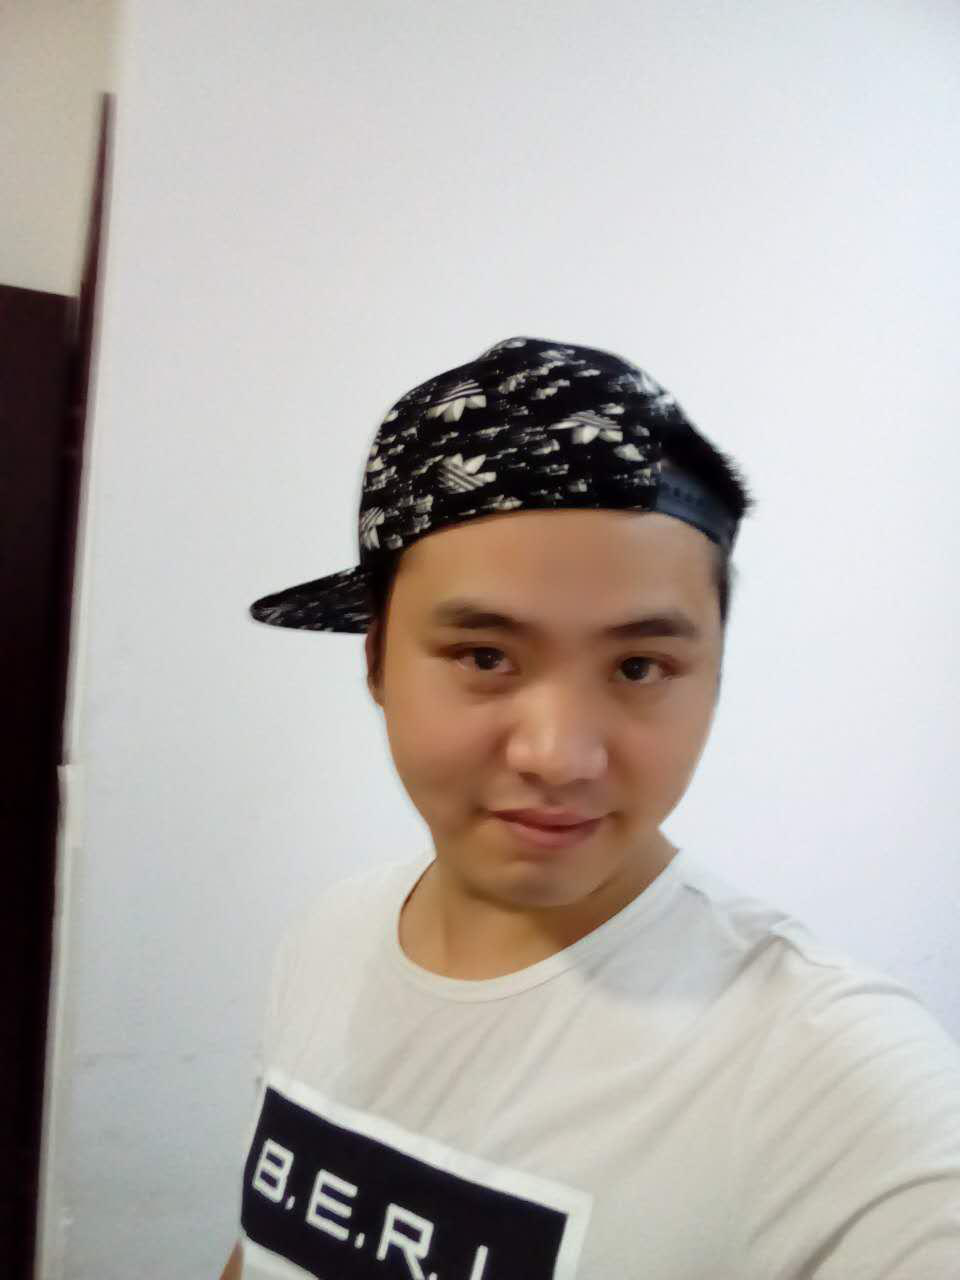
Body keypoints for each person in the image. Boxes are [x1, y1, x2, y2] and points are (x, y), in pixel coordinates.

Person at [220, 336, 960, 1278]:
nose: (560, 757)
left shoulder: (832, 1082)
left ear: (715, 677)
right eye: (485, 656)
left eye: (639, 666)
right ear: (376, 662)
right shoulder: (328, 938)